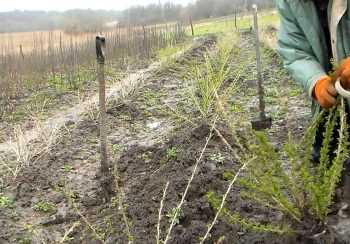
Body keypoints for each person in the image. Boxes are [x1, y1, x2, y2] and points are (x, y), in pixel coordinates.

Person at [276, 0, 350, 208]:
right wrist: (315, 81)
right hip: (333, 97)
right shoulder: (290, 2)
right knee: (327, 160)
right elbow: (294, 49)